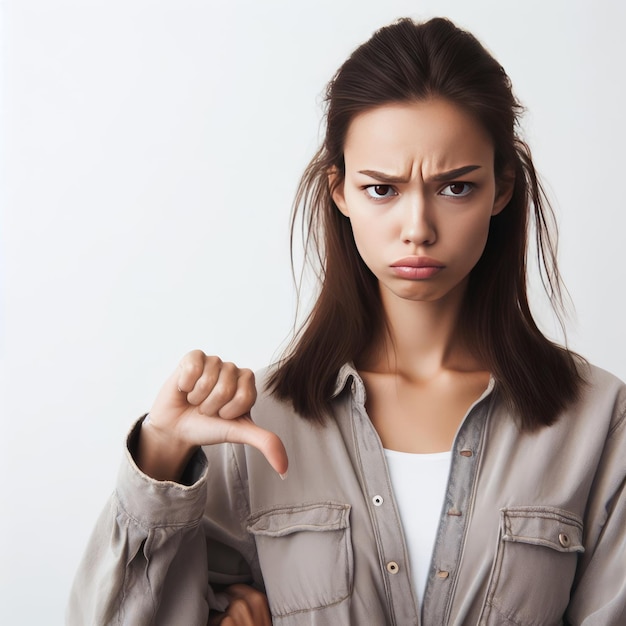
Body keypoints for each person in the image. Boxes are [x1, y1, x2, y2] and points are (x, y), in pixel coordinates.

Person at [67, 17, 626, 626]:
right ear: (340, 192)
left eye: (456, 188)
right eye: (382, 189)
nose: (418, 227)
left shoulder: (596, 421)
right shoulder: (253, 428)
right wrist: (163, 450)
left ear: (501, 189)